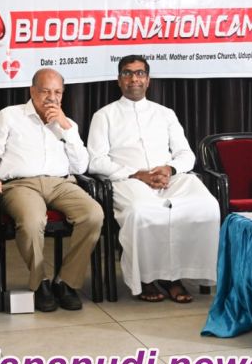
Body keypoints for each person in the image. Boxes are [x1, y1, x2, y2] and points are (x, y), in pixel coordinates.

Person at [87, 55, 219, 303]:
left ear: (148, 80)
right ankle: (147, 278)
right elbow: (95, 161)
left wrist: (170, 168)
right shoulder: (104, 115)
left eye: (140, 73)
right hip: (128, 180)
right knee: (142, 211)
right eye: (127, 73)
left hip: (169, 179)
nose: (134, 79)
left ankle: (176, 276)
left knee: (206, 205)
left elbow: (186, 154)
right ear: (119, 80)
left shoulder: (165, 114)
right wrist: (137, 174)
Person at [0, 68, 103, 311]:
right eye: (45, 91)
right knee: (32, 221)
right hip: (21, 184)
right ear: (32, 91)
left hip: (61, 183)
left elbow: (81, 166)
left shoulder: (67, 124)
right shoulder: (10, 115)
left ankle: (66, 282)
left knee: (93, 214)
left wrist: (66, 127)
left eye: (57, 92)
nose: (51, 98)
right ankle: (40, 282)